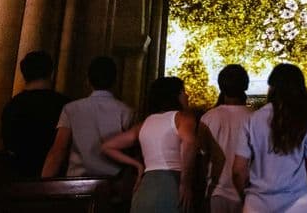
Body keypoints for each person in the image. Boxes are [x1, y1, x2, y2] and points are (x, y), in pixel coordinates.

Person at [232, 63, 307, 212]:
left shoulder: (251, 120)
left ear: (272, 87)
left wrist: (247, 197)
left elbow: (238, 170)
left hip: (257, 204)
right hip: (299, 203)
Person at [101, 77, 197, 213]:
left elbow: (107, 146)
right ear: (175, 95)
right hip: (171, 184)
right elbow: (189, 142)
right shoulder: (183, 118)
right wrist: (185, 183)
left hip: (146, 186)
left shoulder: (144, 123)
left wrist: (138, 165)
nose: (186, 95)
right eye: (183, 91)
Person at [42, 56, 133, 177]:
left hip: (76, 181)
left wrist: (45, 183)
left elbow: (59, 149)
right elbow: (129, 150)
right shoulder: (126, 111)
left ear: (88, 81)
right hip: (112, 182)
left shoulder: (71, 109)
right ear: (115, 81)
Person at [1, 50, 70, 177]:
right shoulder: (66, 105)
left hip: (19, 177)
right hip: (57, 179)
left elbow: (8, 146)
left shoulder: (12, 106)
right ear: (52, 73)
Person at [199, 64, 253, 213]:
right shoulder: (255, 118)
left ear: (221, 86)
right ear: (246, 85)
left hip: (217, 192)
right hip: (248, 192)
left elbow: (203, 157)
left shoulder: (208, 118)